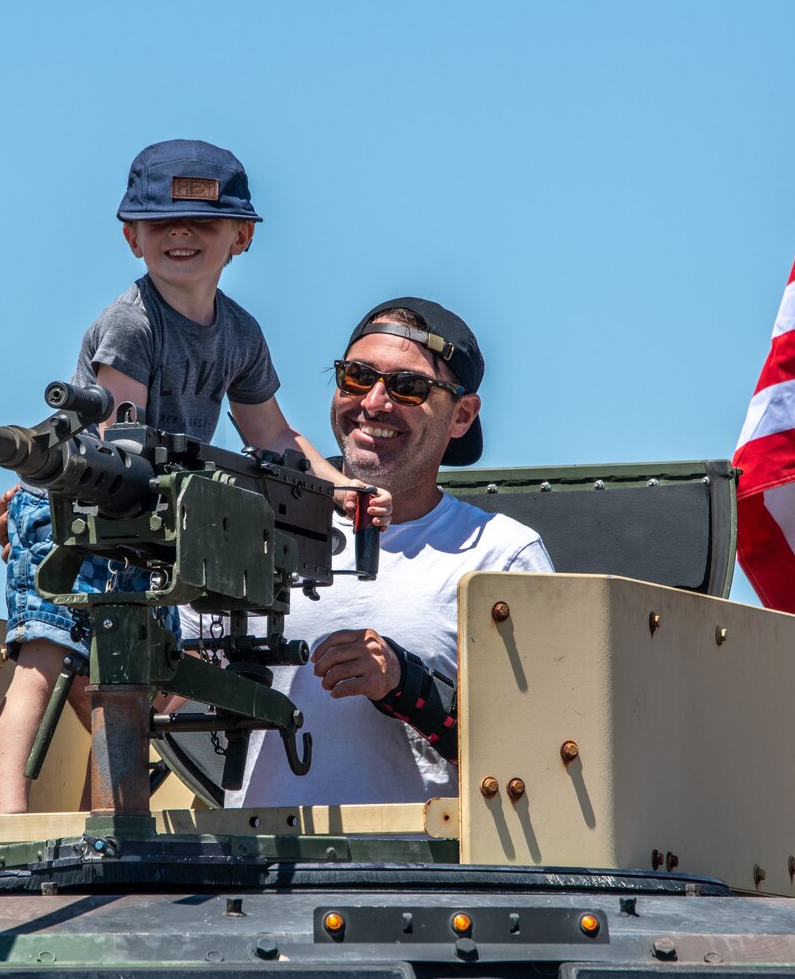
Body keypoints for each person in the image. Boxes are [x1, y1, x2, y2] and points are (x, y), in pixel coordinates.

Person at [0, 140, 389, 814]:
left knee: (131, 683)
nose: (180, 234)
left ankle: (115, 823)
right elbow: (124, 443)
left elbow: (274, 434)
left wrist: (336, 487)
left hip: (148, 521)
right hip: (74, 510)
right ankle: (8, 817)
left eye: (201, 223)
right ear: (130, 238)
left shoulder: (239, 334)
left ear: (242, 237)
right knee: (44, 661)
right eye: (159, 222)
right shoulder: (132, 323)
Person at [216, 297, 551, 806]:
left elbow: (543, 756)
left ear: (462, 415)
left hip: (419, 879)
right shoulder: (252, 529)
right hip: (257, 874)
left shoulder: (500, 555)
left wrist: (406, 685)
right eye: (356, 376)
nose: (373, 403)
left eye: (408, 386)